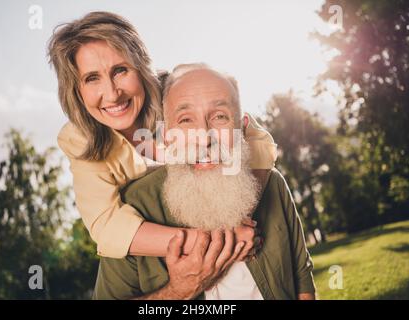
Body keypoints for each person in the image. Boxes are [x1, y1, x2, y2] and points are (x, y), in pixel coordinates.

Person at [47, 12, 277, 260]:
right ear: (76, 92)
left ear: (141, 67)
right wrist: (214, 241)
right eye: (92, 78)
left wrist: (241, 214)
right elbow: (108, 226)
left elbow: (257, 139)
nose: (112, 94)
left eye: (120, 71)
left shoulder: (177, 91)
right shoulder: (79, 140)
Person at [93, 64, 316, 300]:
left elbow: (301, 276)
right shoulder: (134, 205)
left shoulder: (272, 184)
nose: (204, 138)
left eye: (220, 117)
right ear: (166, 136)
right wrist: (178, 291)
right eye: (186, 120)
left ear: (241, 127)